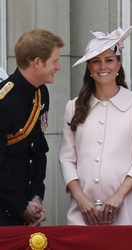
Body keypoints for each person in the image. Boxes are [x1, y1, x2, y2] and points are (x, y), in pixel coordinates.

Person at [59, 24, 132, 225]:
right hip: (83, 212)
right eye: (96, 61)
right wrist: (81, 199)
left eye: (109, 60)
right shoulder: (73, 106)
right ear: (89, 67)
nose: (103, 67)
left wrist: (118, 196)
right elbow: (67, 158)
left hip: (126, 208)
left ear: (118, 65)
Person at [0, 29, 64, 226]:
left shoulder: (40, 94)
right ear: (37, 62)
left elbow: (38, 150)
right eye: (54, 61)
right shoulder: (4, 100)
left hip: (26, 207)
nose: (58, 67)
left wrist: (36, 197)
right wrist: (20, 206)